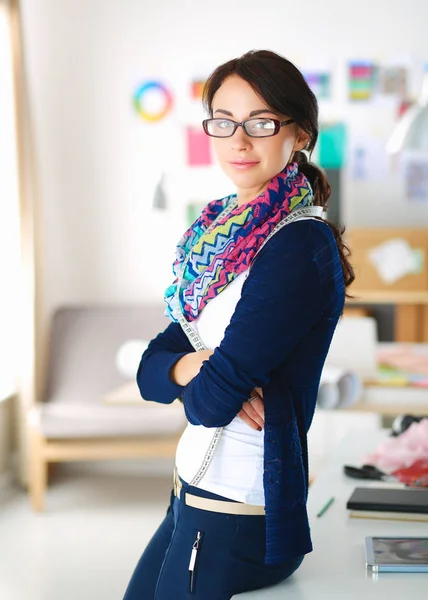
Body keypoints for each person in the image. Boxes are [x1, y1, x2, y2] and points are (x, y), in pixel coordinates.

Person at [122, 49, 354, 600]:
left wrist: (193, 377)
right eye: (224, 122)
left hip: (238, 504)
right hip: (192, 489)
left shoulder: (298, 243)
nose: (240, 141)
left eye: (261, 122)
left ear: (297, 134)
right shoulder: (217, 235)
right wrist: (193, 365)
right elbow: (151, 369)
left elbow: (206, 406)